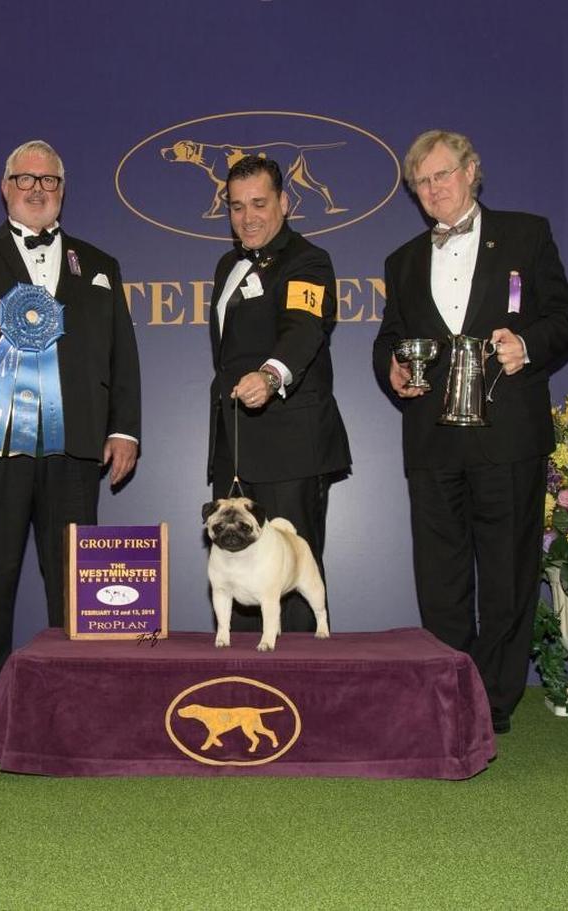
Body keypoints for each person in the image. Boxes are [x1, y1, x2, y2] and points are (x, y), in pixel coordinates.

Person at [0, 139, 141, 728]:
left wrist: (124, 430)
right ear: (5, 186)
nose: (37, 189)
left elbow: (122, 354)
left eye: (48, 181)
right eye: (25, 178)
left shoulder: (99, 265)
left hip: (75, 447)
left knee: (72, 578)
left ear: (63, 190)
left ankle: (79, 698)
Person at [373, 130, 568, 734]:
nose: (433, 190)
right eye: (422, 183)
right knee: (439, 577)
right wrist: (389, 367)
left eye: (442, 175)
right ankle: (447, 689)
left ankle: (494, 699)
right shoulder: (402, 260)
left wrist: (527, 345)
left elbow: (565, 320)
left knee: (508, 575)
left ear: (471, 172)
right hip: (432, 441)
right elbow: (390, 337)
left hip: (508, 436)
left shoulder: (527, 233)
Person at [208, 156, 351, 633]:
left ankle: (303, 698)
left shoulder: (308, 261)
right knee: (233, 572)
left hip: (292, 445)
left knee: (290, 576)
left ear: (284, 203)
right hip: (236, 446)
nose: (247, 217)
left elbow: (304, 329)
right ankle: (239, 688)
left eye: (259, 204)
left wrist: (270, 376)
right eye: (236, 206)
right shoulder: (227, 265)